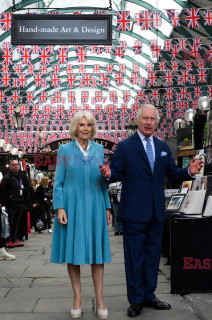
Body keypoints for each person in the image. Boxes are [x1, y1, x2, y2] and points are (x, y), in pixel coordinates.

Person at [99, 105, 203, 317]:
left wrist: (188, 172)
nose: (148, 122)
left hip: (156, 213)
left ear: (157, 122)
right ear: (138, 121)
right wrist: (109, 173)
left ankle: (149, 295)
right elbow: (116, 173)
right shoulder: (125, 147)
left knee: (152, 257)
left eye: (152, 119)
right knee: (134, 257)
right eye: (144, 118)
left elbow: (173, 173)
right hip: (134, 214)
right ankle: (135, 300)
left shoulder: (162, 146)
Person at [51, 111, 113, 319]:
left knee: (97, 253)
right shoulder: (64, 150)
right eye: (81, 125)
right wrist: (60, 207)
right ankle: (77, 298)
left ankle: (100, 299)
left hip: (95, 204)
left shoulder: (99, 149)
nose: (85, 128)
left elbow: (103, 181)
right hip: (72, 205)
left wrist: (107, 207)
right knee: (73, 253)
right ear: (75, 128)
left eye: (89, 125)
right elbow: (58, 182)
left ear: (93, 128)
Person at [1, 159, 30, 248]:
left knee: (16, 223)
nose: (16, 166)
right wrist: (4, 202)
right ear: (10, 167)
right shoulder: (7, 178)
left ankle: (14, 239)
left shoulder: (22, 176)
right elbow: (2, 191)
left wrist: (23, 197)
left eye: (17, 165)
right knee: (9, 222)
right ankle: (8, 240)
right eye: (14, 165)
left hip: (20, 203)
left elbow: (27, 187)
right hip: (10, 204)